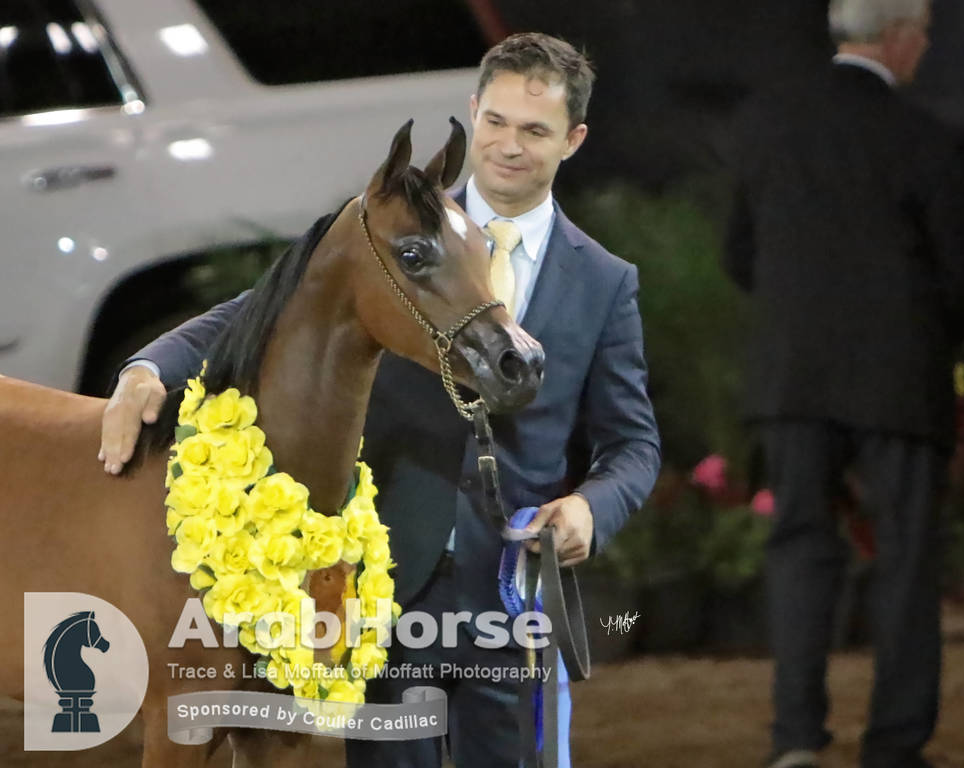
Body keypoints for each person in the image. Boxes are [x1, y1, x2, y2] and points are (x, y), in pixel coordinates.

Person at [99, 33, 661, 768]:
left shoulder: (604, 282)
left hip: (508, 594)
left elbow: (633, 444)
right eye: (495, 122)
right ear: (473, 111)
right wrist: (145, 369)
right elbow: (256, 307)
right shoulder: (392, 237)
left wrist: (592, 505)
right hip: (379, 584)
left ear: (574, 139)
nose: (509, 146)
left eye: (535, 130)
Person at [724, 2, 964, 767]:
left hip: (792, 377)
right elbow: (962, 278)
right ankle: (894, 745)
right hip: (899, 380)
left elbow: (740, 254)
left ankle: (796, 739)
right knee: (904, 558)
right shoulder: (929, 138)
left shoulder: (766, 123)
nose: (924, 51)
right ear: (898, 35)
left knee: (799, 546)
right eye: (924, 36)